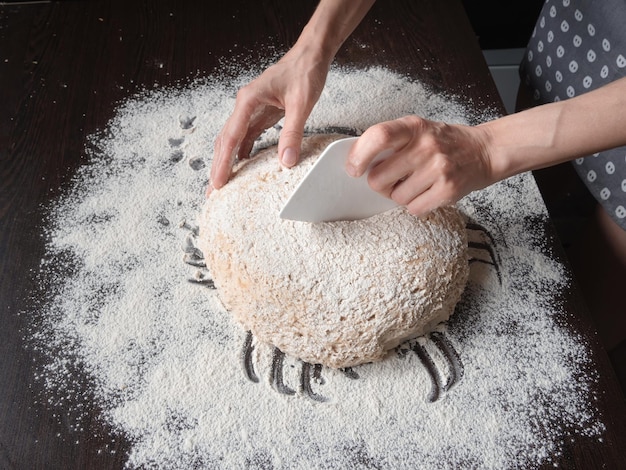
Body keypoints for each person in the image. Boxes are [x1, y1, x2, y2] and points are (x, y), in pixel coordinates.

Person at [209, 0, 626, 385]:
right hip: (584, 30)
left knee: (582, 317)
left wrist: (489, 147)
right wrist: (313, 47)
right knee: (544, 202)